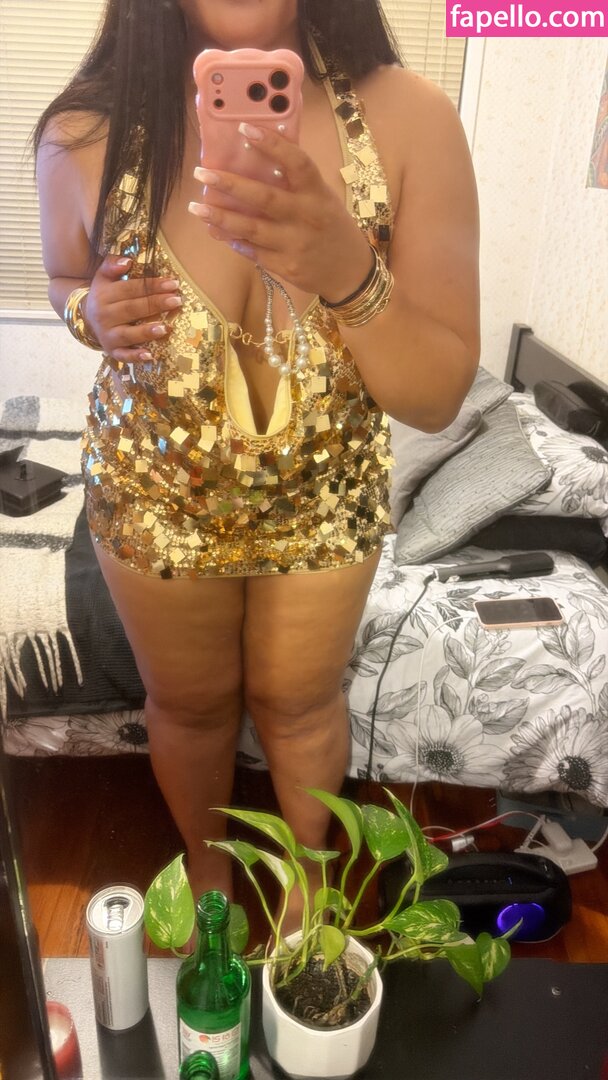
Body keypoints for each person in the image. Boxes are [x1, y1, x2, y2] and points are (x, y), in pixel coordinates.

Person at [35, 0, 480, 919]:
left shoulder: (411, 119)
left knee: (302, 704)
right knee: (188, 706)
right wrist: (88, 312)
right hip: (154, 487)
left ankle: (307, 890)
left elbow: (436, 395)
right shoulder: (83, 130)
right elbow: (64, 277)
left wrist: (347, 266)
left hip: (327, 491)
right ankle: (211, 881)